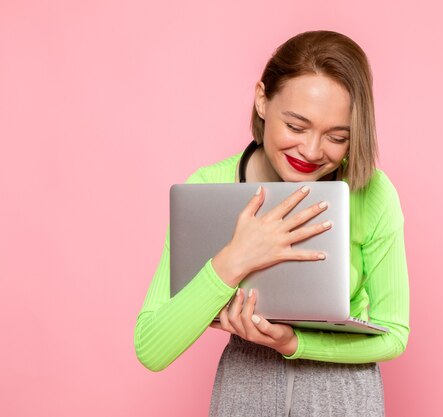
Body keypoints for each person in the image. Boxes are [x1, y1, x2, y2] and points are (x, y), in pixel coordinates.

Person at [134, 30, 410, 416]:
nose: (311, 151)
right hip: (245, 391)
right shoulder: (208, 187)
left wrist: (295, 343)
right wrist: (234, 260)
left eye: (336, 137)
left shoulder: (372, 192)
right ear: (262, 100)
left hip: (342, 399)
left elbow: (395, 335)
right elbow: (151, 347)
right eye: (296, 127)